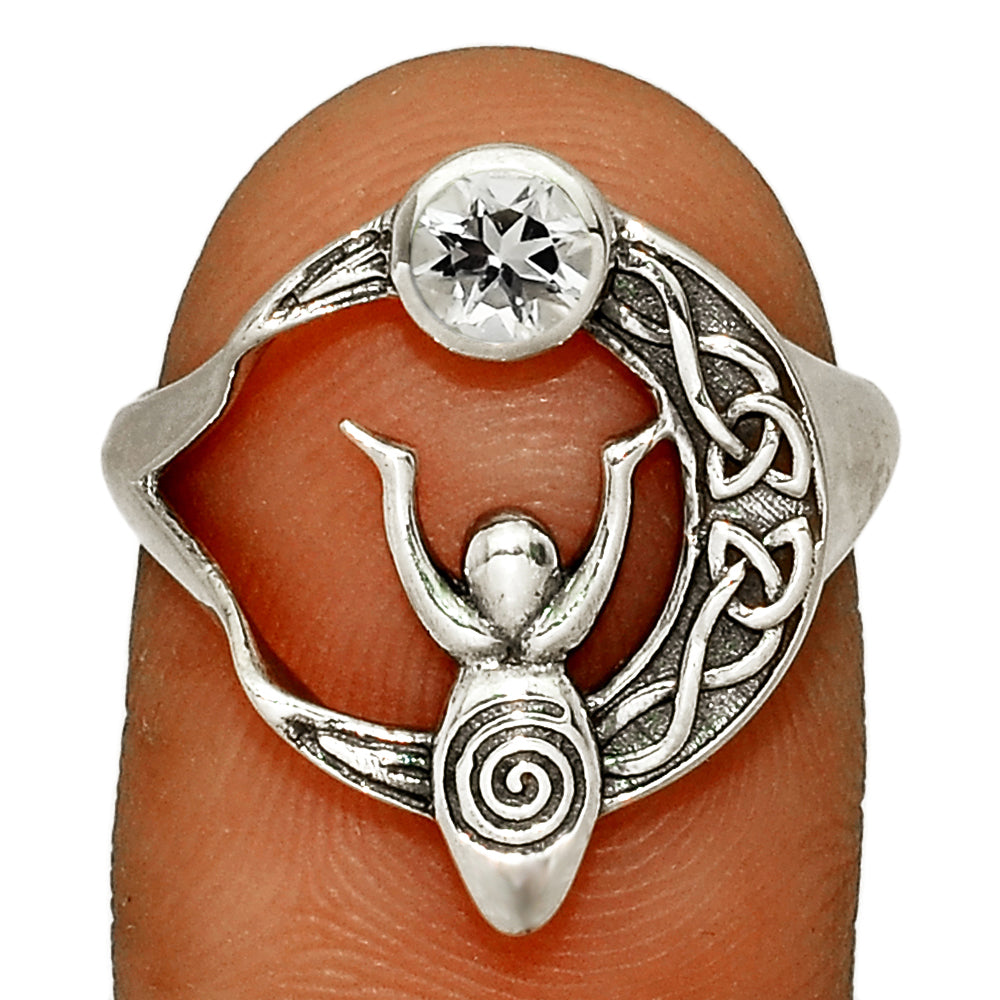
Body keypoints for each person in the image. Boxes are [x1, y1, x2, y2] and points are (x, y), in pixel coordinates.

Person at [115, 48, 863, 998]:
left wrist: (434, 475)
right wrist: (606, 467)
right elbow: (585, 553)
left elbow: (525, 553)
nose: (517, 576)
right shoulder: (533, 630)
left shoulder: (487, 631)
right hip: (525, 744)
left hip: (526, 743)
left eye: (523, 561)